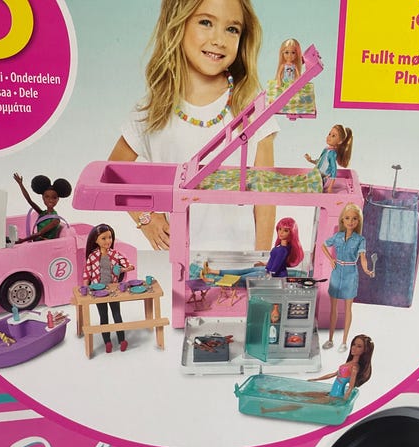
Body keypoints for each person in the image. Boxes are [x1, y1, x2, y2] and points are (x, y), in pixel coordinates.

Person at [108, 0, 279, 252]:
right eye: (206, 22)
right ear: (178, 25)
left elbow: (266, 199)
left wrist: (261, 261)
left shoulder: (253, 106)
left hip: (241, 263)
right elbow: (114, 174)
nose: (219, 40)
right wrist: (147, 219)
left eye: (232, 29)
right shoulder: (153, 109)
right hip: (180, 260)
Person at [322, 204, 374, 353]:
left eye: (354, 218)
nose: (351, 221)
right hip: (337, 271)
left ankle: (344, 342)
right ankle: (330, 339)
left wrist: (366, 269)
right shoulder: (338, 236)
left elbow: (363, 257)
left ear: (358, 221)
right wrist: (331, 259)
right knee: (333, 308)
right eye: (347, 218)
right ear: (342, 220)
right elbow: (324, 245)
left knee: (347, 308)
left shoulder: (360, 239)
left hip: (351, 273)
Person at [264, 334, 374, 404]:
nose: (354, 347)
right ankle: (267, 392)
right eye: (354, 344)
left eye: (359, 346)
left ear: (365, 350)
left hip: (335, 397)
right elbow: (333, 374)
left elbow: (350, 387)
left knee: (301, 403)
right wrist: (316, 379)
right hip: (330, 393)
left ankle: (269, 407)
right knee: (298, 395)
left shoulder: (354, 368)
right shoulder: (349, 363)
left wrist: (344, 403)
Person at [201, 217, 303, 286]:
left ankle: (211, 280)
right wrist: (264, 264)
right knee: (241, 271)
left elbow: (275, 268)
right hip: (267, 269)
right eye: (280, 229)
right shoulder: (284, 246)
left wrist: (268, 276)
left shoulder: (283, 250)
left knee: (240, 278)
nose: (281, 232)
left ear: (291, 233)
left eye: (285, 230)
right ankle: (211, 271)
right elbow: (277, 262)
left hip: (271, 275)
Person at [83, 224, 135, 353]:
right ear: (96, 240)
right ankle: (107, 342)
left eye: (110, 237)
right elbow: (87, 274)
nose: (108, 241)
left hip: (113, 290)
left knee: (117, 314)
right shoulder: (92, 257)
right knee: (103, 316)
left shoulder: (115, 254)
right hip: (98, 290)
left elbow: (129, 265)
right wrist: (85, 288)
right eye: (104, 238)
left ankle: (122, 340)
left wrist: (123, 269)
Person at [13, 173, 72, 243]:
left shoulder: (55, 220)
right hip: (38, 243)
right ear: (43, 197)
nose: (50, 200)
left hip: (46, 245)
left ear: (58, 199)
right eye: (47, 197)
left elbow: (40, 233)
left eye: (54, 197)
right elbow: (29, 200)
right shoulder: (43, 213)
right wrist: (21, 184)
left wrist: (22, 240)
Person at [304, 124, 353, 193]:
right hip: (314, 175)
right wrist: (311, 160)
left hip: (319, 181)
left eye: (333, 136)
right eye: (329, 134)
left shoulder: (332, 154)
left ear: (340, 141)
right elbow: (320, 162)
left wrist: (330, 187)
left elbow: (334, 171)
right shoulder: (326, 149)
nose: (329, 137)